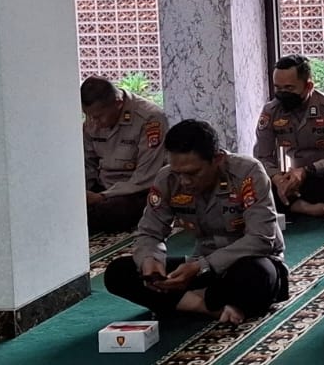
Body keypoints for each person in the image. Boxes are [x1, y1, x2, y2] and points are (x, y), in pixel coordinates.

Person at [103, 119, 287, 324]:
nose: (184, 181)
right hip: (198, 265)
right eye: (178, 173)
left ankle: (185, 301)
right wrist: (150, 261)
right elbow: (150, 232)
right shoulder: (167, 179)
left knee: (259, 276)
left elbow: (261, 239)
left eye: (192, 173)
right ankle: (206, 306)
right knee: (118, 272)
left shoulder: (248, 172)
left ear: (217, 159)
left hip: (245, 262)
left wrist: (202, 266)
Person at [254, 55, 324, 220]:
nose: (283, 94)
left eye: (289, 88)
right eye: (278, 88)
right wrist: (278, 178)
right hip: (292, 180)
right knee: (257, 182)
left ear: (308, 86)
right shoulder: (270, 111)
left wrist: (306, 171)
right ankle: (308, 208)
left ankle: (294, 206)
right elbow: (262, 156)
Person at [80, 77, 170, 233]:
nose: (94, 122)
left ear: (118, 103)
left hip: (137, 191)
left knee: (111, 213)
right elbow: (87, 164)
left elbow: (146, 177)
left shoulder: (149, 118)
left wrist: (103, 197)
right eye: (89, 116)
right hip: (103, 188)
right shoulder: (92, 120)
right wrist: (83, 194)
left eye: (99, 117)